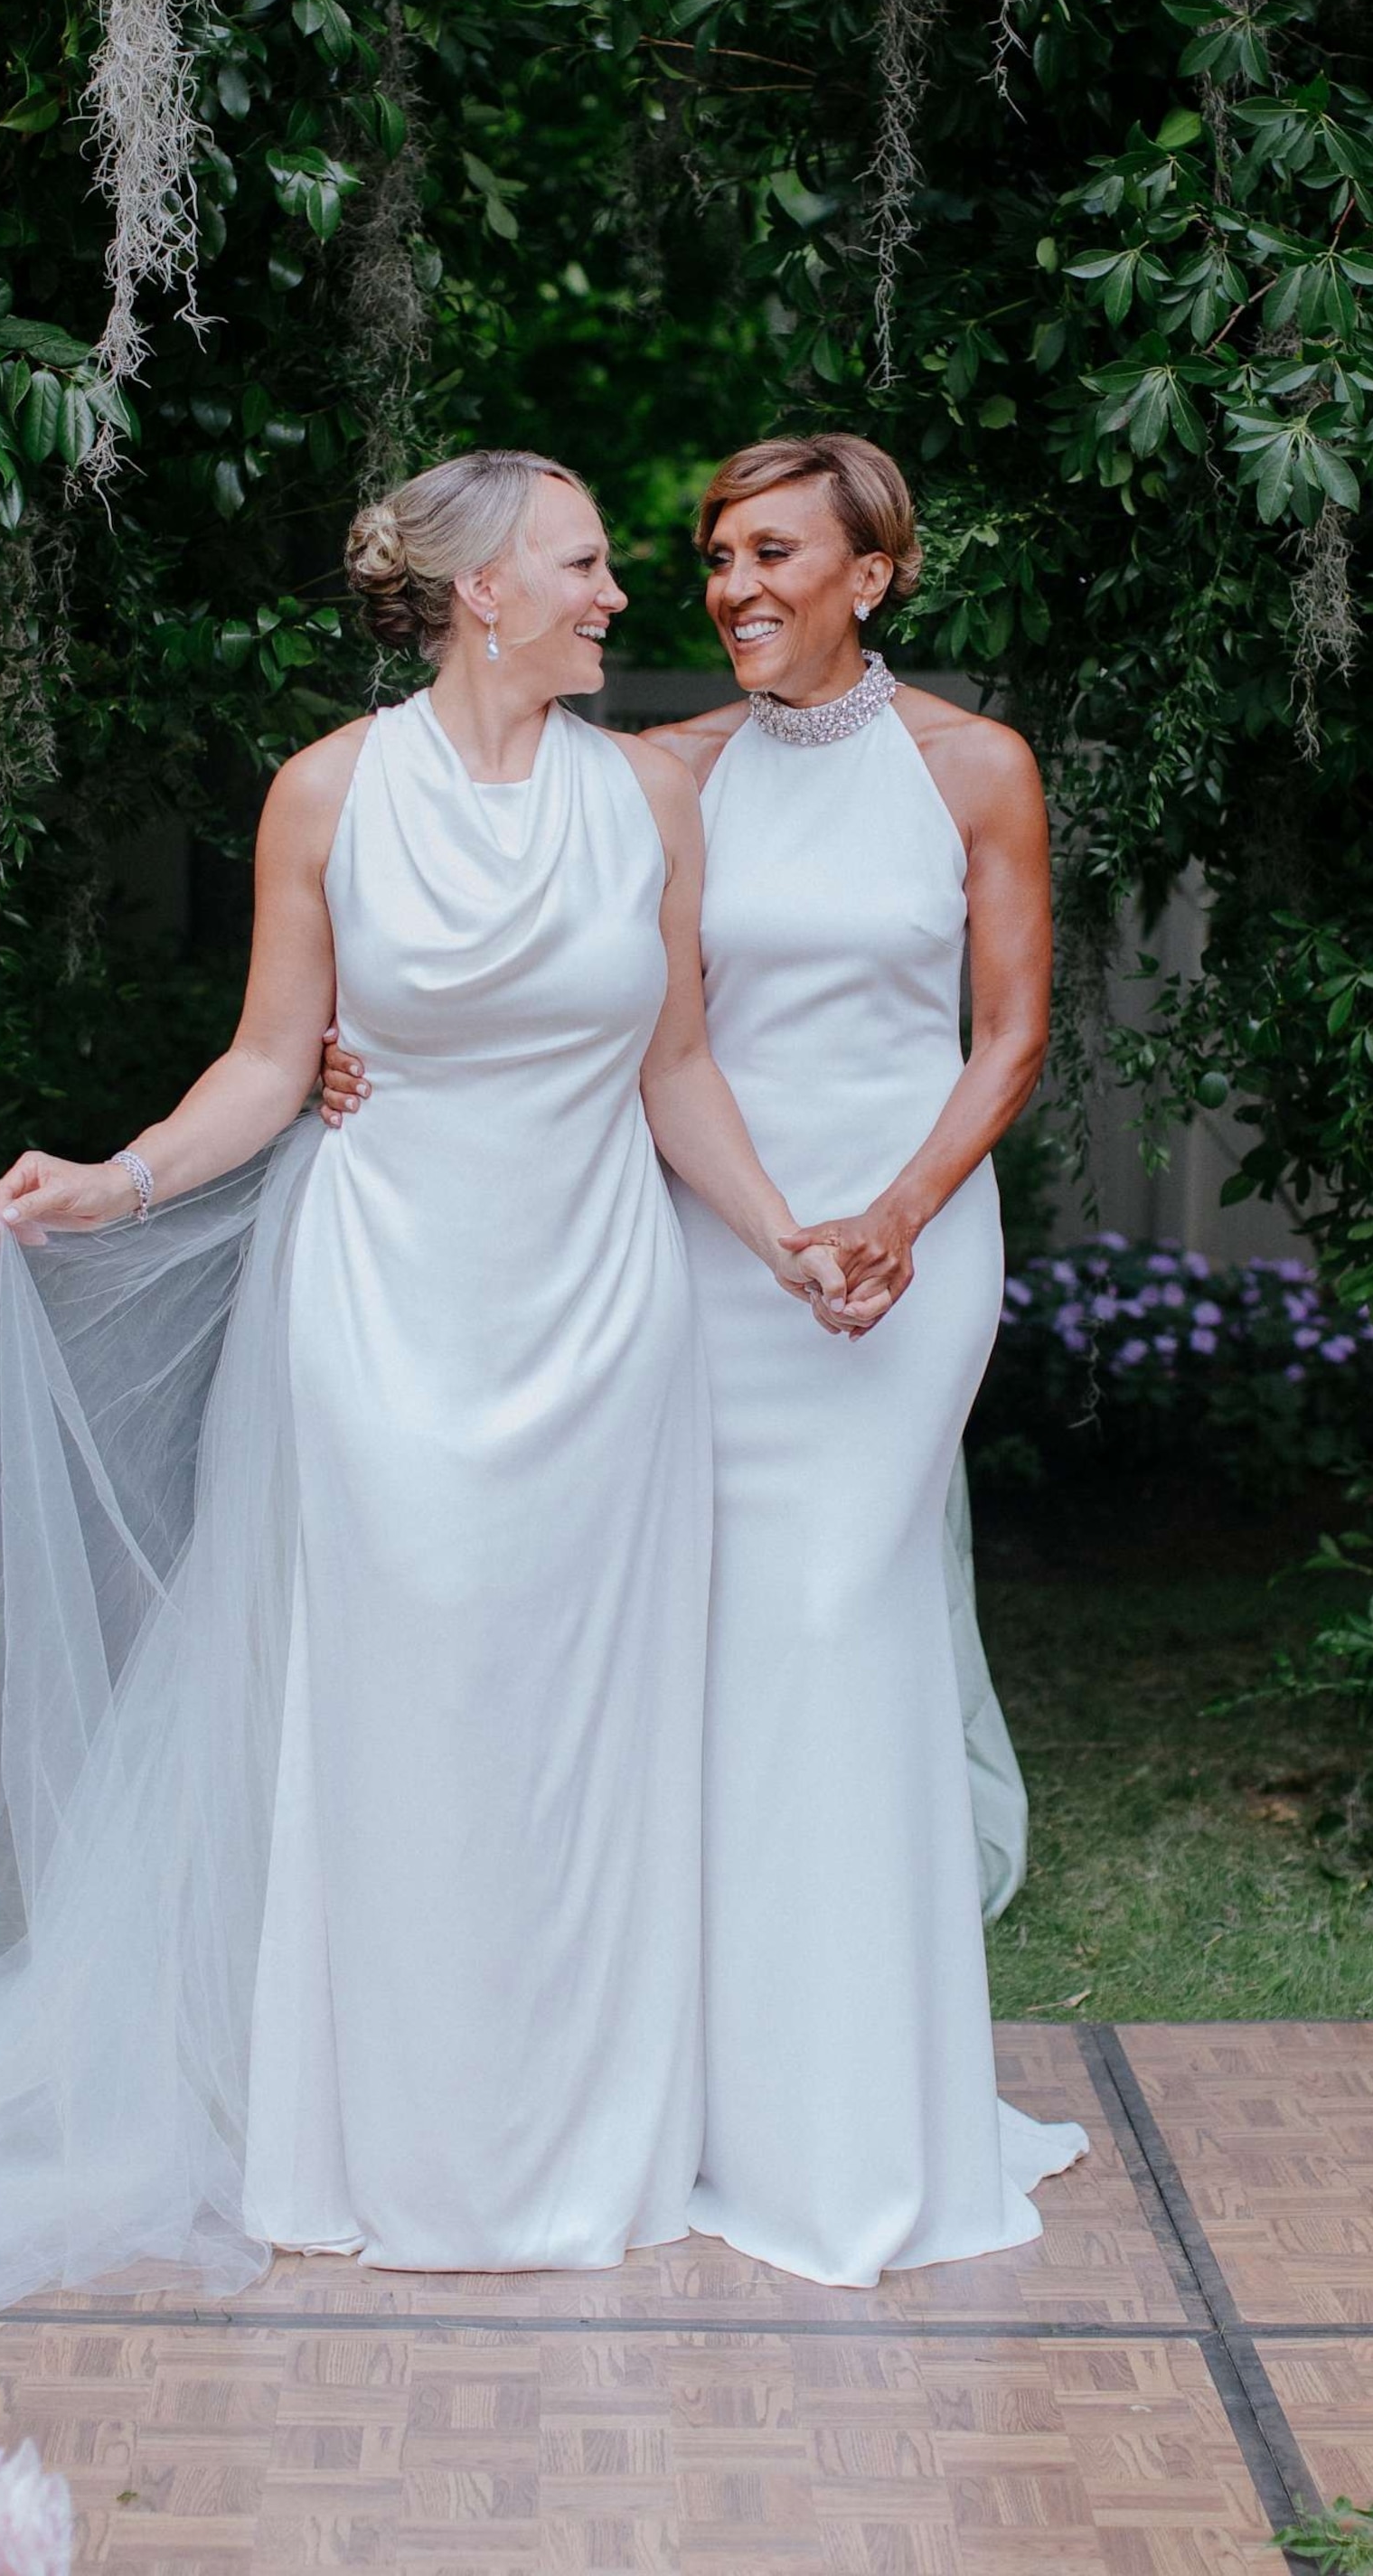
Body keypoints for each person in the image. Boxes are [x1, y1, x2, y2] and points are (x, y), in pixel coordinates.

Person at [0, 449, 855, 2317]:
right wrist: (121, 1176)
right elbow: (270, 1063)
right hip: (379, 1318)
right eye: (584, 566)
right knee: (389, 1717)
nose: (616, 597)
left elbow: (675, 1072)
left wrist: (788, 1231)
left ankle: (587, 2144)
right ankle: (368, 2140)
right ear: (482, 588)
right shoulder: (330, 795)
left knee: (584, 1738)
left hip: (603, 1327)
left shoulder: (653, 793)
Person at [327, 433, 1086, 2286]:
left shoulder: (976, 769)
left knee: (836, 1625)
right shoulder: (658, 775)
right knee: (708, 1663)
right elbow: (534, 964)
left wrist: (901, 1211)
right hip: (714, 1251)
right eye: (716, 557)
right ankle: (696, 2112)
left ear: (871, 577)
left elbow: (1009, 1040)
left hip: (906, 1259)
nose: (731, 587)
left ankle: (858, 2131)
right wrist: (367, 1061)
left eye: (772, 555)